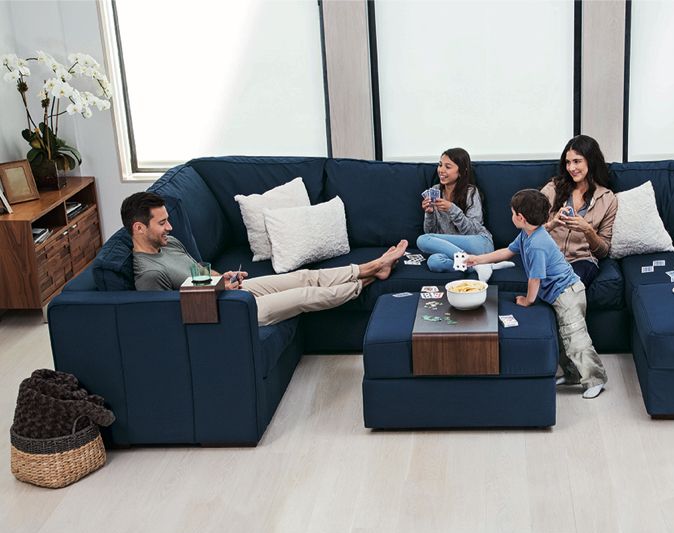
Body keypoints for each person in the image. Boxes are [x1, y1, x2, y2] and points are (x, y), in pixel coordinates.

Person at [122, 192, 408, 326]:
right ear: (138, 228)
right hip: (228, 315)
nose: (169, 228)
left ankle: (372, 266)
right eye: (161, 223)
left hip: (229, 293)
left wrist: (225, 279)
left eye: (168, 220)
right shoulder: (147, 273)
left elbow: (200, 273)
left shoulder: (169, 243)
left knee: (304, 276)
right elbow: (165, 318)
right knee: (306, 294)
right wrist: (220, 293)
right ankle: (371, 277)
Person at [466, 189, 607, 399]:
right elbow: (507, 251)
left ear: (521, 218)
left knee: (575, 338)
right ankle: (572, 375)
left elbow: (535, 279)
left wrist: (527, 300)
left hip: (568, 293)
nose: (511, 216)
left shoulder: (537, 245)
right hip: (559, 293)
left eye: (512, 213)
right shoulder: (527, 234)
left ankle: (595, 380)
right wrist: (478, 259)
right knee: (561, 338)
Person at [416, 147, 513, 281]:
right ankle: (477, 266)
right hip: (453, 250)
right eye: (440, 165)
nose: (441, 170)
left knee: (422, 240)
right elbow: (432, 233)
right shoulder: (435, 190)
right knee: (434, 261)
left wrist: (452, 209)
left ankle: (476, 260)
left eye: (448, 167)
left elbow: (473, 230)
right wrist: (429, 213)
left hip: (479, 243)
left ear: (461, 171)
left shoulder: (471, 192)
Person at [540, 135, 618, 288]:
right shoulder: (552, 189)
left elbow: (603, 251)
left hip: (582, 261)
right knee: (554, 284)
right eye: (568, 162)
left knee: (569, 285)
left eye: (577, 161)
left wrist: (587, 230)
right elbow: (530, 232)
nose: (571, 168)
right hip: (549, 256)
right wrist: (553, 223)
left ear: (591, 160)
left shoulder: (607, 199)